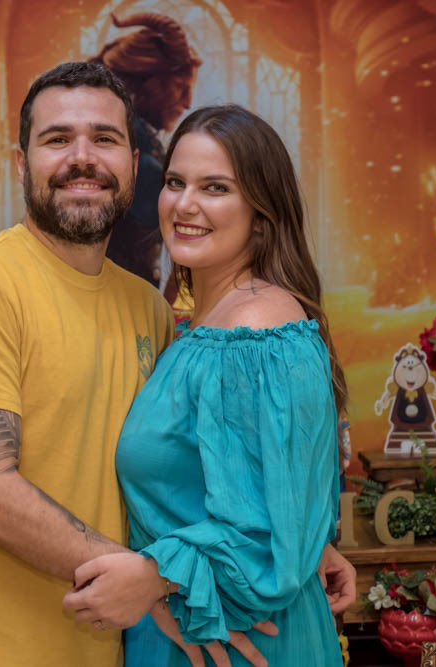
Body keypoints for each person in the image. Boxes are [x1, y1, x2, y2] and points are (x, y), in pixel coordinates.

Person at [0, 63, 354, 666]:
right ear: (20, 164)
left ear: (133, 165)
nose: (82, 158)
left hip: (131, 642)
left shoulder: (147, 307)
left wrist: (291, 537)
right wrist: (165, 580)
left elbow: (209, 466)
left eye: (105, 138)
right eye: (57, 139)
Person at [63, 105, 349, 666]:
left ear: (261, 215)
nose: (185, 204)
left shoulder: (256, 332)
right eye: (176, 182)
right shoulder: (205, 326)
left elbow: (267, 536)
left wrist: (157, 575)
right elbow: (267, 492)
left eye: (215, 188)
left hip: (238, 638)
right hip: (191, 621)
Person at [92, 12, 202, 291]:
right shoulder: (135, 157)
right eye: (180, 89)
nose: (188, 103)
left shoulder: (135, 139)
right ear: (151, 84)